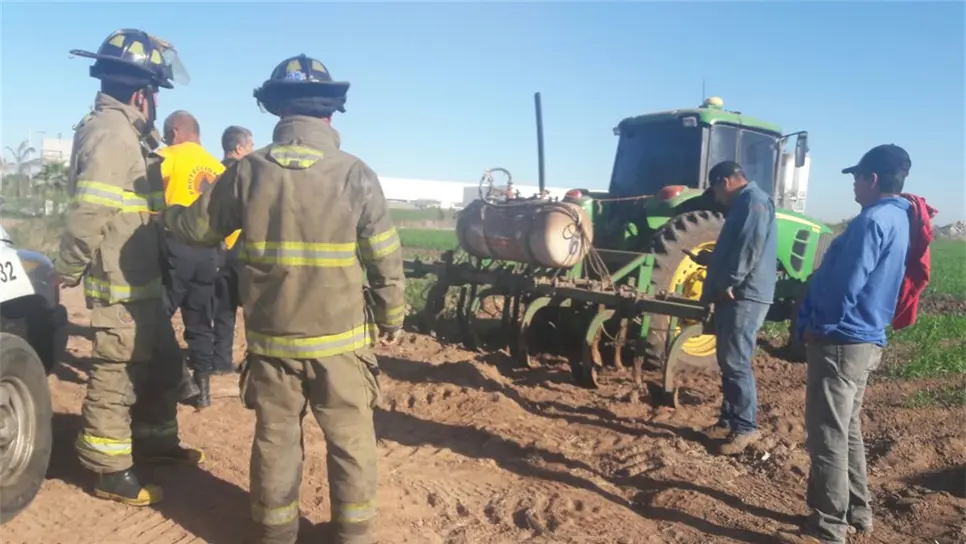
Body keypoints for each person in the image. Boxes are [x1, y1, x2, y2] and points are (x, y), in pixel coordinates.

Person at [163, 54, 406, 544]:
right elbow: (385, 258)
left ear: (277, 113)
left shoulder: (247, 172)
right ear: (330, 115)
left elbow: (196, 228)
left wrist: (161, 215)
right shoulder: (356, 174)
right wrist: (391, 316)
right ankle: (352, 535)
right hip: (341, 344)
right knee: (351, 441)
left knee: (275, 440)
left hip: (273, 342)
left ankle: (275, 533)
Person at [54, 28, 204, 507]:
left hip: (142, 275)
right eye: (155, 91)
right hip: (118, 280)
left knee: (161, 362)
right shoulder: (110, 133)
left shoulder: (133, 136)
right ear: (142, 93)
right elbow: (89, 212)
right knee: (116, 373)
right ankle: (108, 469)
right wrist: (68, 267)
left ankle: (157, 443)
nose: (158, 101)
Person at [778, 145, 914, 544]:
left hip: (841, 339)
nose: (853, 184)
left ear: (872, 180)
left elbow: (846, 281)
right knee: (847, 429)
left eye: (857, 177)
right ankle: (858, 512)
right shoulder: (899, 218)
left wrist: (820, 325)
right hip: (866, 338)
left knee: (827, 435)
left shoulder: (871, 221)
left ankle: (827, 526)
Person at [696, 160, 777, 455]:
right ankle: (728, 420)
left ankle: (745, 427)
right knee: (728, 360)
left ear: (726, 181)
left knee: (737, 361)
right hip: (735, 293)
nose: (716, 197)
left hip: (745, 294)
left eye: (715, 190)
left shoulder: (754, 202)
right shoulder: (744, 203)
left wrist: (730, 279)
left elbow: (750, 246)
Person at [157, 110, 230, 407]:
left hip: (176, 246)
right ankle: (204, 391)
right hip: (209, 252)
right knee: (200, 318)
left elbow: (143, 194)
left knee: (156, 316)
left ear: (175, 132)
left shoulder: (167, 156)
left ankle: (178, 378)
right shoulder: (218, 167)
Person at [211, 125, 253, 374]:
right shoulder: (245, 175)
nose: (252, 150)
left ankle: (220, 361)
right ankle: (254, 361)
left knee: (223, 310)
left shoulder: (213, 172)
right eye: (250, 145)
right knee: (253, 309)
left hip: (216, 250)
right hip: (242, 251)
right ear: (239, 147)